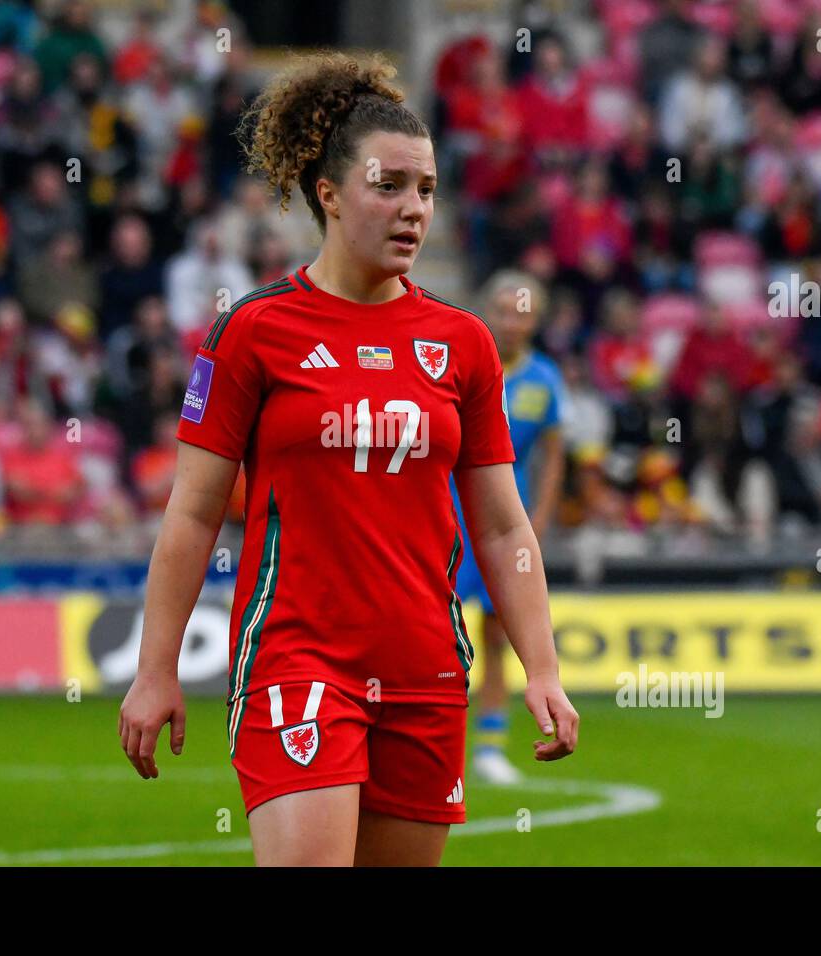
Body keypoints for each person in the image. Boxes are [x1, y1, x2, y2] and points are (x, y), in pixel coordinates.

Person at [118, 52, 578, 867]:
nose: (413, 210)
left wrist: (540, 665)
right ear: (328, 194)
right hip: (299, 659)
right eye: (389, 185)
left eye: (427, 190)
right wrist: (156, 669)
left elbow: (503, 521)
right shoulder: (252, 333)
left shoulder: (465, 345)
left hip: (425, 669)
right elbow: (190, 513)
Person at [449, 270, 567, 784]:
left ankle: (490, 746)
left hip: (505, 518)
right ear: (485, 311)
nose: (512, 322)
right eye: (503, 310)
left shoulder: (544, 380)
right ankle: (440, 740)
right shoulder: (460, 362)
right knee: (438, 634)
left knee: (497, 636)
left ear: (536, 321)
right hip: (450, 512)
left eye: (523, 313)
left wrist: (539, 515)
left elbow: (555, 454)